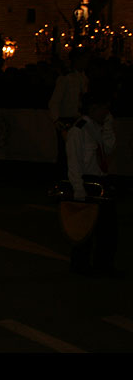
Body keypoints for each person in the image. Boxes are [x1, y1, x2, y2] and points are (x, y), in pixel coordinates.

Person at [65, 90, 119, 277]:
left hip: (101, 180)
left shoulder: (97, 128)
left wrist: (108, 127)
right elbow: (74, 162)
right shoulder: (78, 130)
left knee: (107, 230)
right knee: (84, 229)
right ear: (94, 108)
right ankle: (81, 267)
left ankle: (103, 265)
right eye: (104, 108)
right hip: (87, 181)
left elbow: (109, 149)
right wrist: (78, 188)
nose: (106, 113)